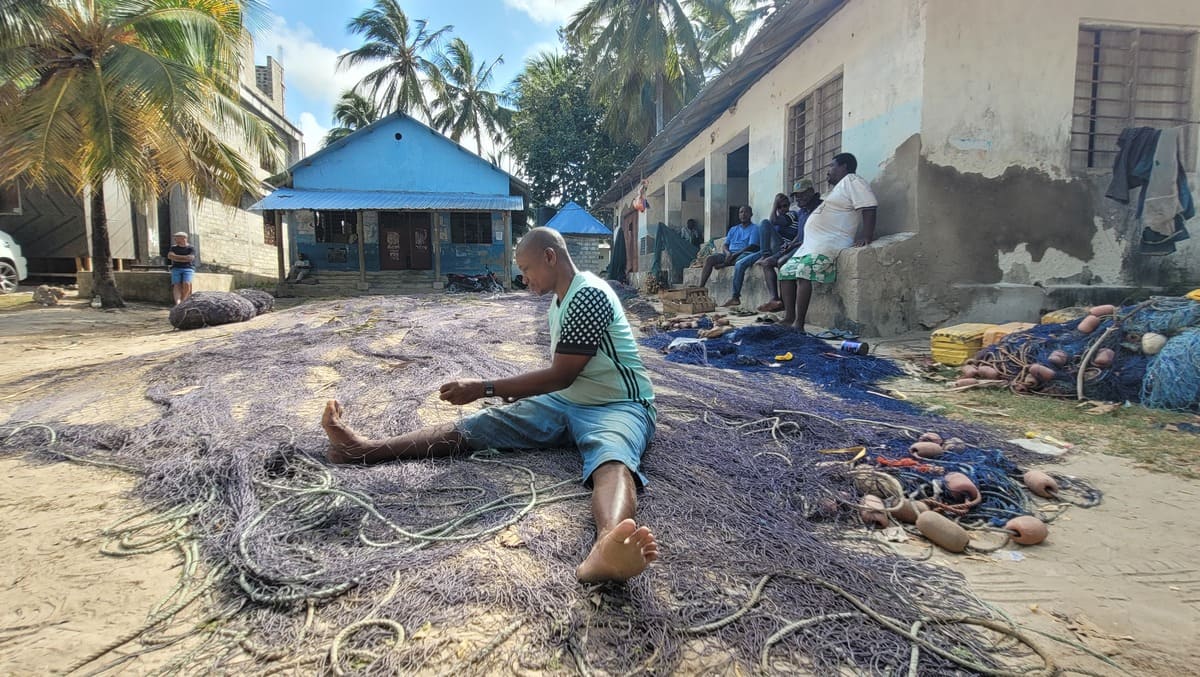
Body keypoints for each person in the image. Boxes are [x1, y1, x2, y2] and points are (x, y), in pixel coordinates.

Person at [320, 227, 659, 584]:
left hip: (620, 404)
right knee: (481, 426)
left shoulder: (589, 295)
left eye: (527, 269)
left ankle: (609, 543)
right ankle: (364, 450)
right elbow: (563, 380)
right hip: (569, 401)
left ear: (549, 257)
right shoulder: (559, 303)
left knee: (612, 458)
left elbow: (561, 375)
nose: (523, 278)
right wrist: (495, 395)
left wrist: (484, 387)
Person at [777, 153, 877, 333]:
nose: (827, 172)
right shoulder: (838, 189)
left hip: (830, 244)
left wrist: (867, 235)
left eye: (832, 166)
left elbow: (869, 206)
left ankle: (799, 324)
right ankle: (789, 317)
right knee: (785, 272)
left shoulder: (852, 181)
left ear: (844, 167)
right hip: (810, 246)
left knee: (803, 271)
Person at [756, 180, 821, 312]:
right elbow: (799, 235)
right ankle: (775, 300)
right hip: (796, 245)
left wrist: (775, 203)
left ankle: (786, 306)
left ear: (811, 192)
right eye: (796, 196)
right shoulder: (802, 211)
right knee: (767, 263)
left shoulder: (815, 209)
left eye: (801, 194)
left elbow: (811, 236)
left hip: (809, 246)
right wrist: (790, 246)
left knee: (782, 262)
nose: (798, 198)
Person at [698, 205, 760, 307]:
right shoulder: (733, 229)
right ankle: (700, 288)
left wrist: (735, 254)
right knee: (710, 259)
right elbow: (725, 245)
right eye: (741, 212)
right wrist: (728, 253)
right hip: (729, 254)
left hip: (743, 254)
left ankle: (735, 297)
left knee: (740, 262)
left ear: (751, 214)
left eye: (746, 212)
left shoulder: (755, 228)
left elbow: (753, 246)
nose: (743, 214)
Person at [167, 232, 196, 305]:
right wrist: (184, 258)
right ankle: (177, 302)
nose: (175, 239)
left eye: (177, 237)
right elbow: (170, 256)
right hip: (176, 268)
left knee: (187, 283)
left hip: (188, 268)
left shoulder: (191, 248)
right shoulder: (173, 247)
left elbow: (190, 258)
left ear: (184, 238)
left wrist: (176, 257)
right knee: (176, 284)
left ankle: (183, 301)